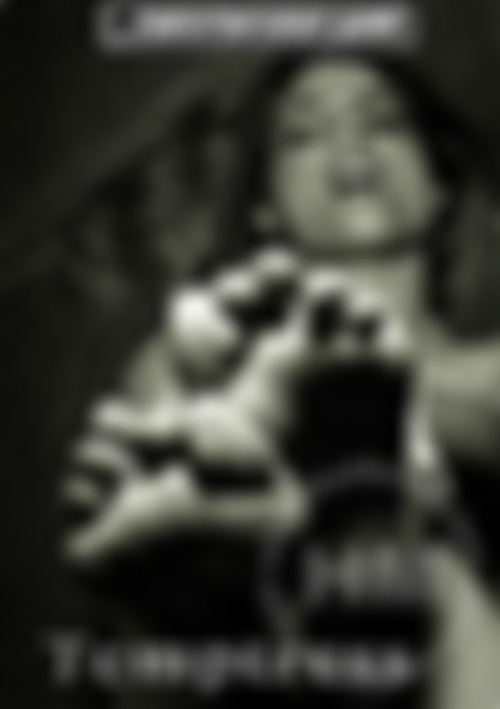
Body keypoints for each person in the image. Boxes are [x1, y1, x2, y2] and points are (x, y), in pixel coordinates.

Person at [60, 54, 500, 709]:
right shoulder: (191, 358)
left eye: (382, 119)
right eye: (303, 133)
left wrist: (329, 396)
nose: (350, 141)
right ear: (267, 210)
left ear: (440, 186)